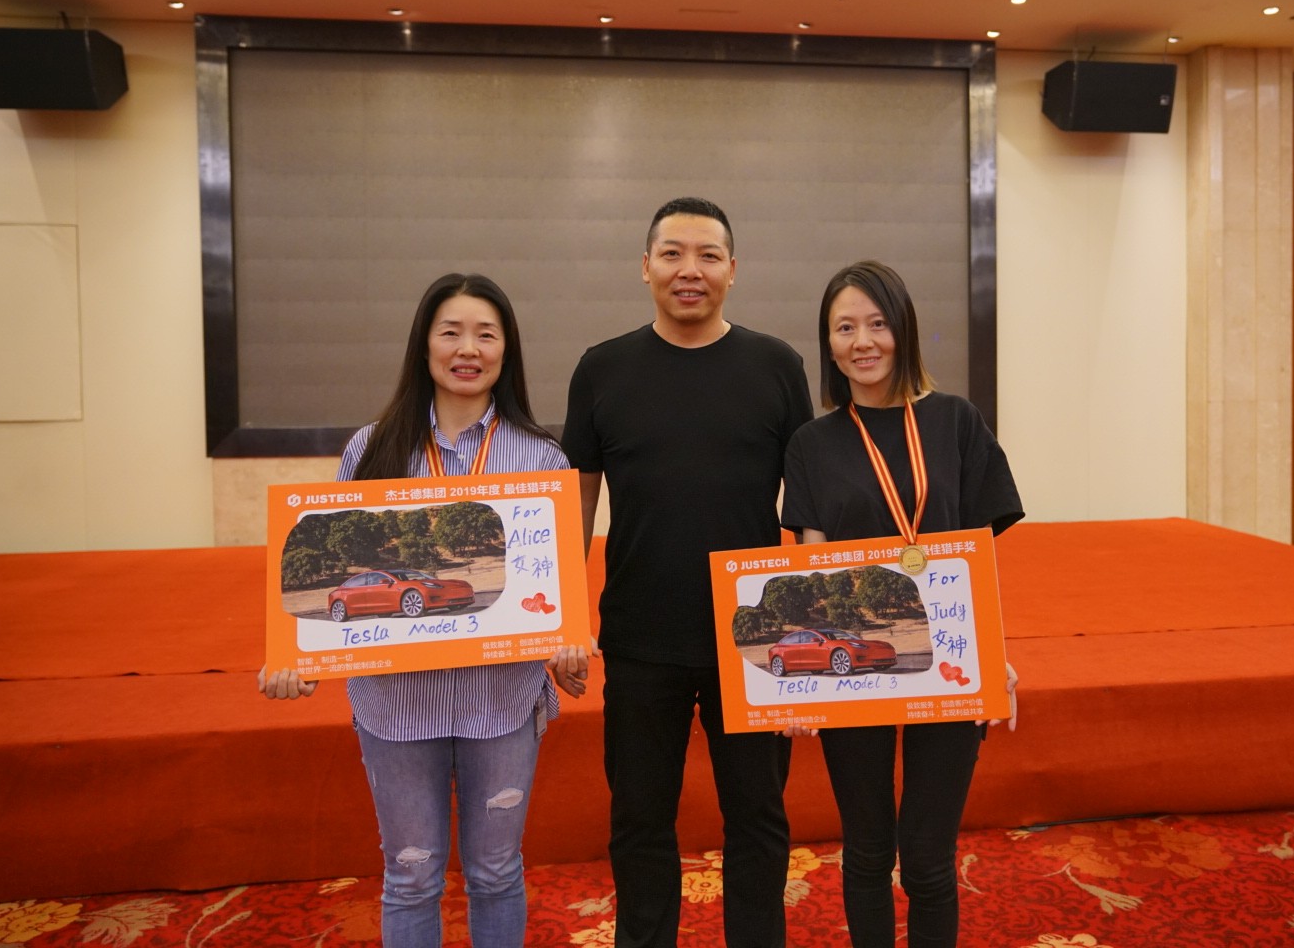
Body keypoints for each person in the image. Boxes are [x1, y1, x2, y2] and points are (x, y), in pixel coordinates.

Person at [259, 272, 590, 948]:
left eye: (486, 335)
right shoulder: (371, 448)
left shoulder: (541, 456)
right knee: (411, 877)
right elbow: (337, 565)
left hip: (500, 702)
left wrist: (565, 642)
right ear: (425, 344)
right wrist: (301, 659)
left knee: (496, 871)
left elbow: (554, 585)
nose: (468, 349)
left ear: (506, 350)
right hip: (397, 707)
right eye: (451, 333)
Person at [559, 197, 815, 948]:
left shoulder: (777, 366)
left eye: (708, 255)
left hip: (756, 642)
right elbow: (575, 510)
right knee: (640, 820)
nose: (689, 270)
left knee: (758, 820)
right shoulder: (602, 369)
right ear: (645, 268)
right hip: (640, 638)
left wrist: (807, 631)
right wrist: (564, 620)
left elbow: (808, 509)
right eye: (672, 253)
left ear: (734, 269)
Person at [779, 260, 1023, 948]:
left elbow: (977, 555)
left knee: (927, 858)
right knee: (865, 851)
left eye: (877, 324)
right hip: (854, 665)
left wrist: (992, 656)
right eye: (844, 328)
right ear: (828, 344)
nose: (863, 341)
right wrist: (803, 687)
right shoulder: (811, 444)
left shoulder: (956, 422)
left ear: (904, 330)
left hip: (946, 659)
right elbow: (813, 567)